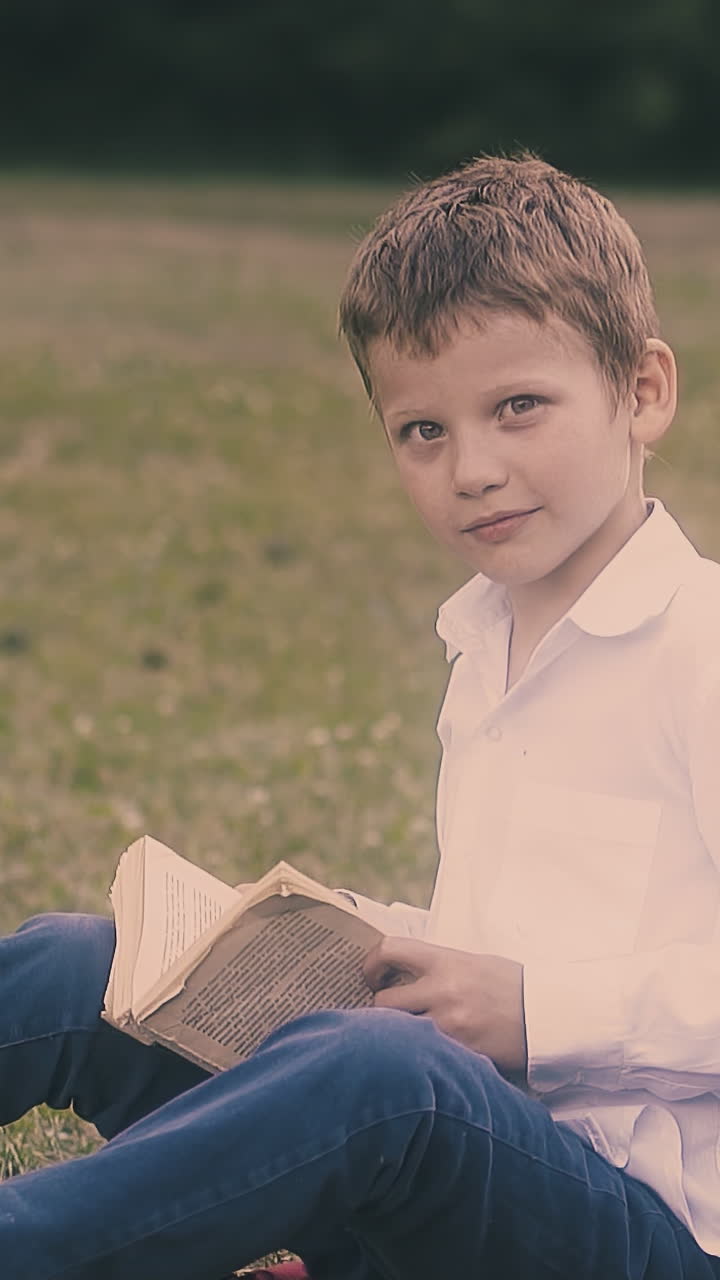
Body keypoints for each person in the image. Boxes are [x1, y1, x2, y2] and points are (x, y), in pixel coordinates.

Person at [1, 150, 719, 1280]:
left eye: (518, 407)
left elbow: (542, 1000)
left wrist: (544, 1008)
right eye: (421, 430)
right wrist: (350, 935)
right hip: (476, 1161)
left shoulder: (701, 645)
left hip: (649, 1229)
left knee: (379, 1073)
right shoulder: (487, 644)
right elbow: (518, 930)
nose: (471, 468)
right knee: (83, 964)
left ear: (643, 391)